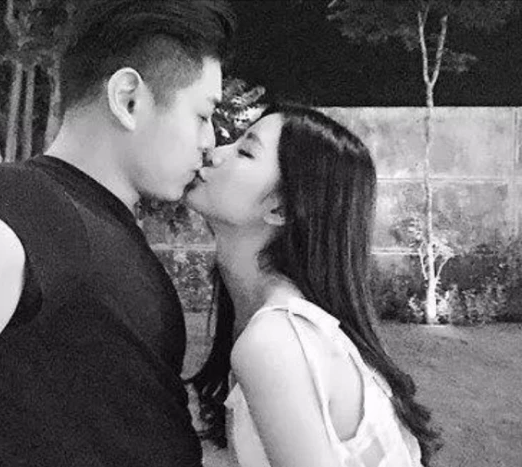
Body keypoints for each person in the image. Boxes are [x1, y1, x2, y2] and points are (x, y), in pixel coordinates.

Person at [0, 0, 235, 466]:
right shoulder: (23, 204)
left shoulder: (85, 215)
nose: (210, 141)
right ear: (128, 99)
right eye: (202, 115)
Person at [185, 104, 441, 467]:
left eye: (245, 151)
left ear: (280, 209)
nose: (215, 152)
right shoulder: (276, 325)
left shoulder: (274, 342)